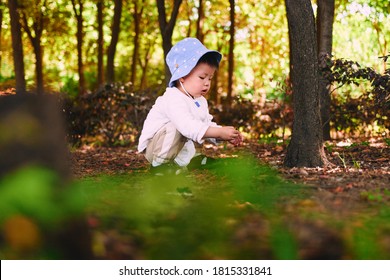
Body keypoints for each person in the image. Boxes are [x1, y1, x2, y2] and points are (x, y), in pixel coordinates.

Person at [137, 37, 243, 175]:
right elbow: (186, 126)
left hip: (178, 147)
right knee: (183, 126)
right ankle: (160, 165)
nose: (207, 83)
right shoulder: (173, 98)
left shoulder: (200, 100)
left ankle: (193, 160)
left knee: (199, 126)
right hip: (156, 147)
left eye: (210, 78)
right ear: (182, 76)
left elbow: (205, 124)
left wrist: (223, 134)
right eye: (202, 77)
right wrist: (218, 132)